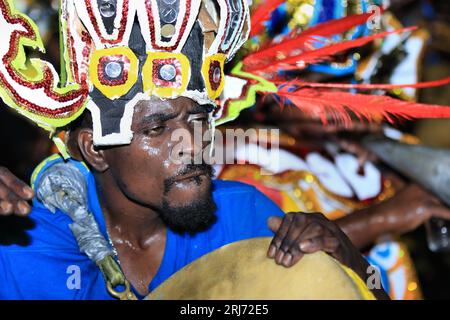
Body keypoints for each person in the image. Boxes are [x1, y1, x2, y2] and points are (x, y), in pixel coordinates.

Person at [0, 0, 389, 300]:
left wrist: (350, 260)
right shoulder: (25, 242)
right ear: (96, 150)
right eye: (157, 127)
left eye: (199, 118)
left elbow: (374, 287)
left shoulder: (242, 213)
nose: (192, 143)